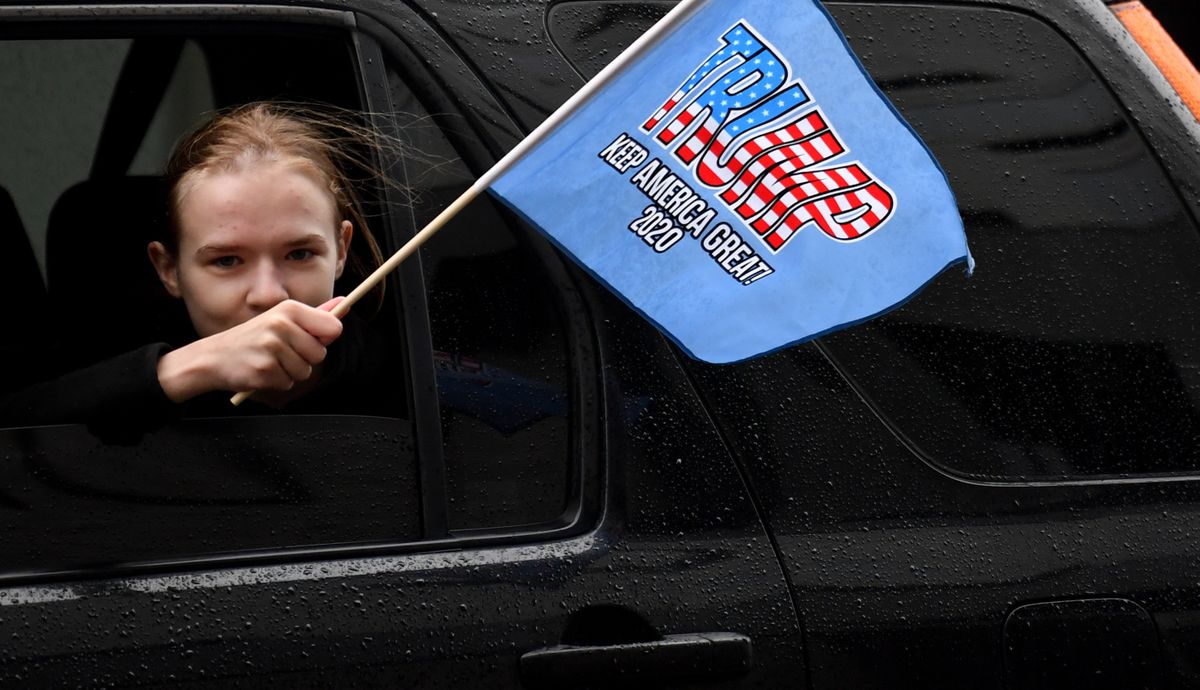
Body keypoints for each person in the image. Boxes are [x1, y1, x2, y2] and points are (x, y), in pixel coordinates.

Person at [0, 102, 401, 434]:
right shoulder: (101, 379)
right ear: (168, 269)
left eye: (299, 254)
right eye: (226, 260)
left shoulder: (410, 384)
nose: (269, 295)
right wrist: (184, 372)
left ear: (342, 250)